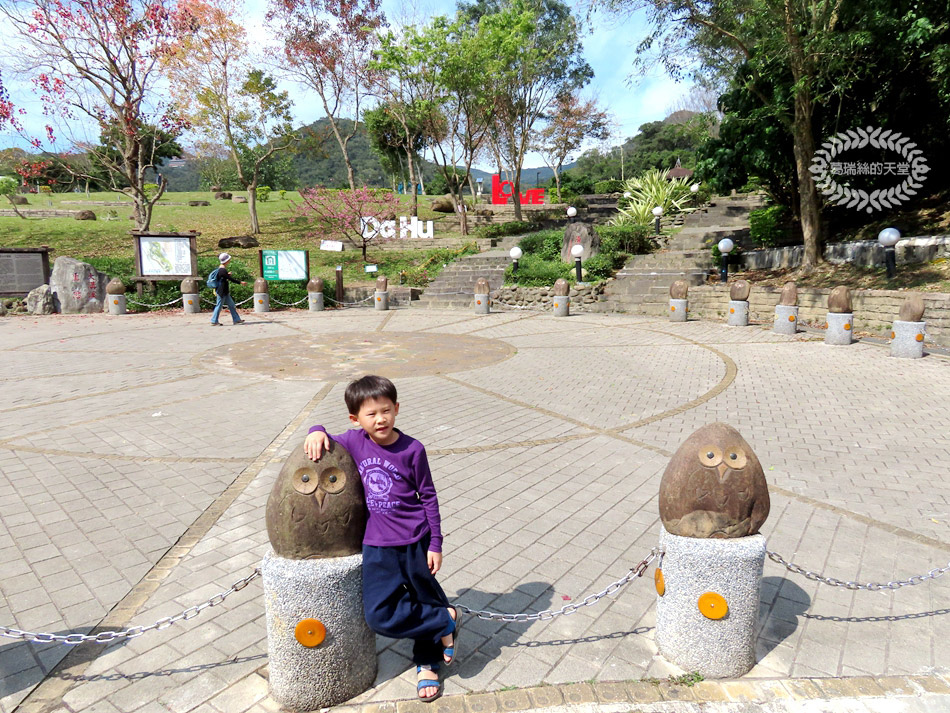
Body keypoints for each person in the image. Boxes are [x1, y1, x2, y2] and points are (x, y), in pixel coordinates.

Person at [304, 375, 459, 702]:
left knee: (426, 597)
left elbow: (428, 497)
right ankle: (443, 619)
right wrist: (316, 429)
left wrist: (435, 544)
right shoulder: (354, 442)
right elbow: (324, 435)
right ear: (355, 419)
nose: (380, 419)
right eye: (371, 414)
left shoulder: (413, 449)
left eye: (386, 411)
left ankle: (427, 662)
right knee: (379, 614)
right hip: (376, 546)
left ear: (397, 409)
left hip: (416, 541)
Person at [210, 253, 246, 326]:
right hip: (221, 291)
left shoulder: (221, 270)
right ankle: (214, 321)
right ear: (226, 261)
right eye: (228, 259)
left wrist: (227, 275)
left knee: (231, 305)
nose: (229, 260)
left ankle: (236, 319)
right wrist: (240, 282)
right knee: (219, 306)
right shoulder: (222, 270)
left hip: (225, 291)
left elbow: (224, 277)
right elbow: (230, 279)